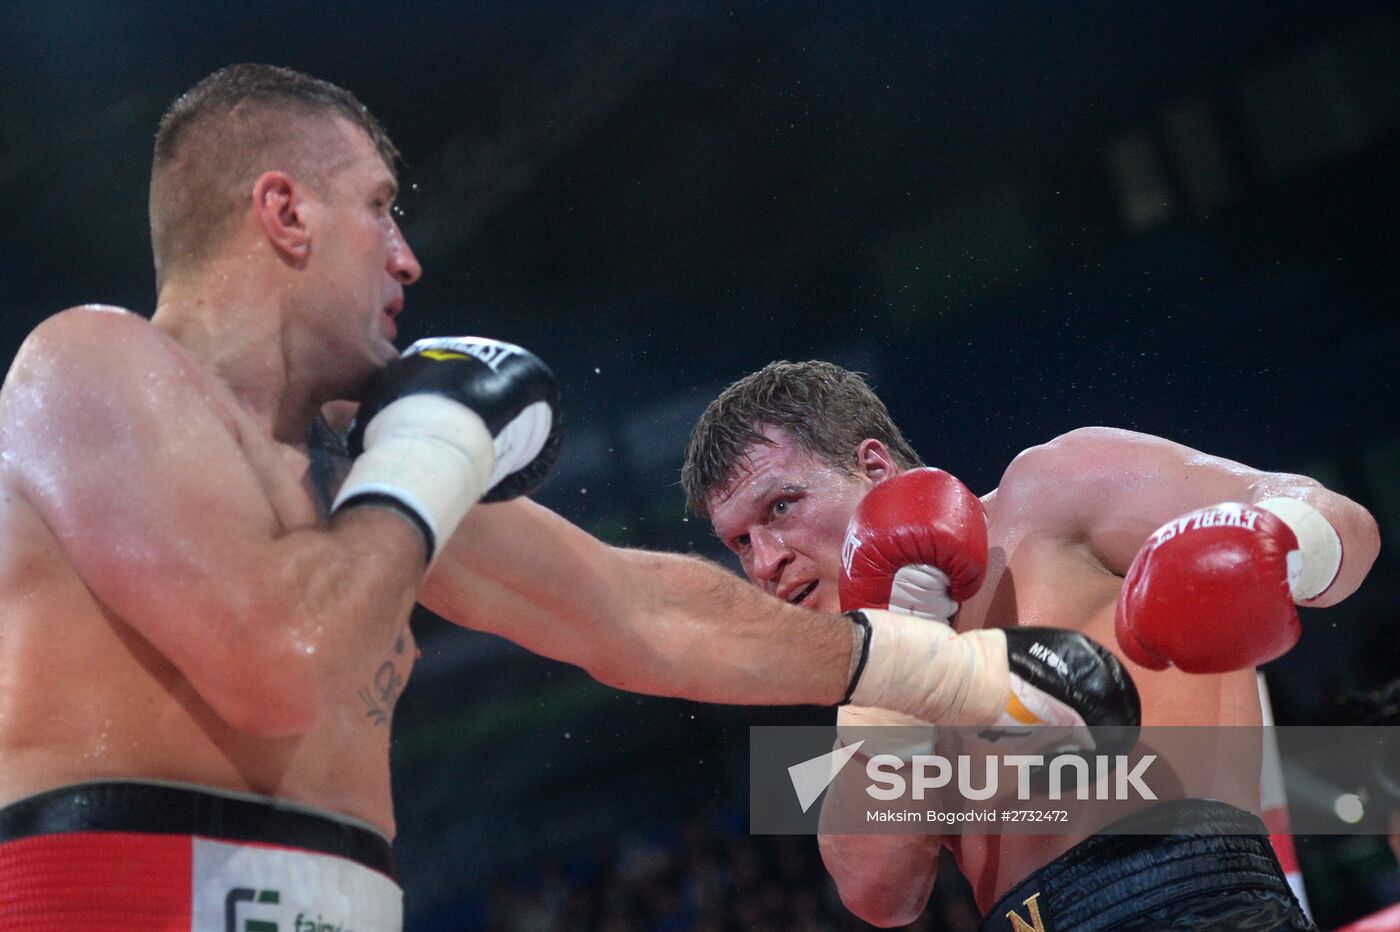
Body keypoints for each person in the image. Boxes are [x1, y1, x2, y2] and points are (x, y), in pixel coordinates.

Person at [0, 65, 1135, 930]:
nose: (407, 260)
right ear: (284, 212)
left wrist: (953, 670)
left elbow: (640, 611)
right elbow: (276, 655)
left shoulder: (370, 483)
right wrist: (436, 445)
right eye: (380, 207)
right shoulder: (93, 364)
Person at [678, 360, 1382, 931]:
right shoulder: (864, 686)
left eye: (780, 508)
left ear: (874, 466)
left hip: (1194, 903)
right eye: (740, 542)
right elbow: (878, 895)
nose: (766, 561)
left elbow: (1328, 512)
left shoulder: (1049, 497)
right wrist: (897, 661)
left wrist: (1281, 550)